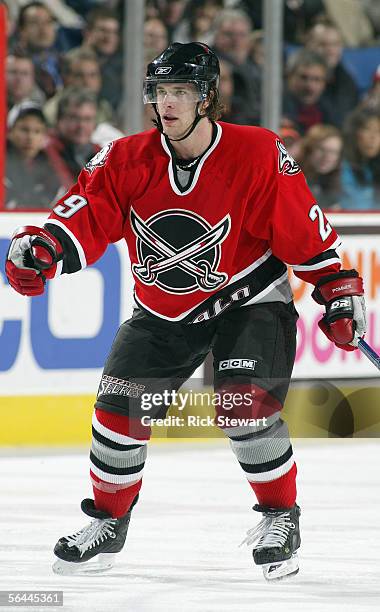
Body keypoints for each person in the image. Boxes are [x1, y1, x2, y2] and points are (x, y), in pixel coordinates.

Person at [5, 42, 366, 581]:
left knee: (245, 410)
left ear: (208, 97)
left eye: (182, 91)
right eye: (160, 91)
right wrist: (43, 250)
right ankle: (109, 518)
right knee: (116, 417)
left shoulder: (258, 152)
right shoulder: (124, 157)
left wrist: (338, 289)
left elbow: (303, 229)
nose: (167, 103)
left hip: (250, 300)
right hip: (163, 311)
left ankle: (279, 516)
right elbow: (83, 216)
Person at [5, 102, 66, 209]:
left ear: (44, 137)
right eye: (24, 129)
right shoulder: (4, 168)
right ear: (9, 132)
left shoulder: (53, 172)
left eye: (37, 131)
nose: (30, 137)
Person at [305, 20, 359, 127]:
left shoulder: (346, 81)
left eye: (335, 44)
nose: (330, 50)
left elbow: (340, 120)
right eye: (323, 45)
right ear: (309, 46)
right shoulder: (293, 75)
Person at [45, 87, 100, 189]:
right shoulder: (46, 150)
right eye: (74, 118)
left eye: (87, 119)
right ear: (59, 120)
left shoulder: (100, 153)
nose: (81, 126)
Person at [283, 49, 335, 135]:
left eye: (317, 79)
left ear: (325, 83)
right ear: (289, 76)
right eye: (303, 78)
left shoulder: (330, 113)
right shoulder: (274, 108)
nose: (310, 86)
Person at [340, 107, 380, 210]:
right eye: (367, 129)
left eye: (378, 131)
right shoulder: (340, 167)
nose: (373, 137)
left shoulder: (374, 167)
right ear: (354, 133)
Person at [298, 124, 344, 210]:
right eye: (322, 149)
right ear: (309, 149)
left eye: (334, 152)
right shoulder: (291, 178)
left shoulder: (338, 183)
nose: (327, 156)